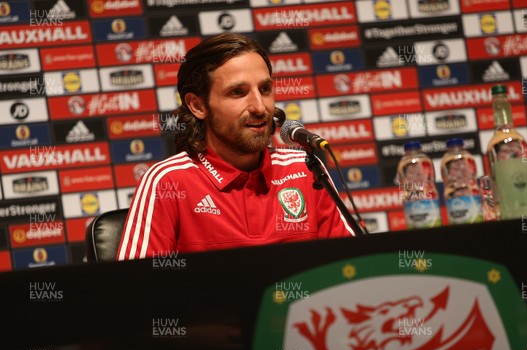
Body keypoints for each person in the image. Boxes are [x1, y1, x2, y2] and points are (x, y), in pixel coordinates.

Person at [117, 33, 355, 260]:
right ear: (198, 106)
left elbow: (351, 268)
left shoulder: (304, 169)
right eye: (238, 92)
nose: (260, 107)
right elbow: (130, 290)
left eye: (264, 89)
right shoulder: (168, 182)